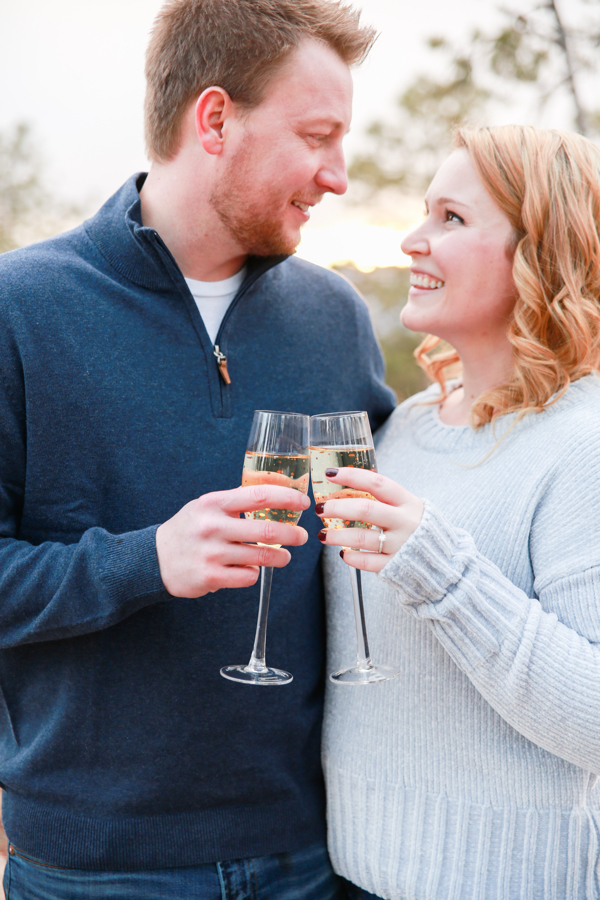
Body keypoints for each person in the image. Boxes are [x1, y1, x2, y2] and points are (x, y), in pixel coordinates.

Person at [0, 1, 396, 897]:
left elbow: (383, 539)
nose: (338, 175)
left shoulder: (336, 319)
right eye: (317, 136)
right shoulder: (19, 311)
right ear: (214, 118)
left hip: (315, 856)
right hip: (94, 871)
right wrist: (145, 562)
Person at [317, 124, 600, 899]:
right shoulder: (400, 429)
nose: (413, 240)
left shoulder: (583, 445)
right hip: (348, 877)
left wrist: (444, 574)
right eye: (424, 213)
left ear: (539, 252)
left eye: (452, 219)